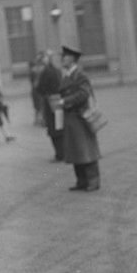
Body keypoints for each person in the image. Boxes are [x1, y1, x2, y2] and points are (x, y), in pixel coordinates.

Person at [57, 45, 100, 191]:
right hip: (71, 117)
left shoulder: (79, 75)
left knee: (86, 150)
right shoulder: (68, 74)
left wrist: (65, 101)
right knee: (75, 150)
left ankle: (93, 181)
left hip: (81, 117)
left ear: (72, 59)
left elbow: (84, 94)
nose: (62, 59)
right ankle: (81, 181)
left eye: (65, 57)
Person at [36, 50, 63, 162]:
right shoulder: (57, 70)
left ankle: (59, 154)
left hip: (50, 101)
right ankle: (64, 153)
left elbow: (39, 88)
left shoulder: (45, 71)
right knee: (60, 126)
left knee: (53, 129)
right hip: (59, 101)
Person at [29, 52, 45, 126]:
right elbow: (35, 83)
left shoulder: (33, 71)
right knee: (40, 106)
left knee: (38, 106)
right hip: (38, 91)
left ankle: (37, 120)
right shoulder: (36, 71)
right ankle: (40, 120)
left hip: (35, 91)